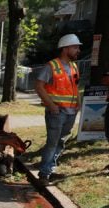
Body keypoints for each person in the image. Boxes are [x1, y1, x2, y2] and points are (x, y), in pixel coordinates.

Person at [34, 33, 82, 185]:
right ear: (65, 48)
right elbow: (39, 86)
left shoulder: (74, 66)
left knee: (60, 142)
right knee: (53, 142)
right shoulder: (52, 66)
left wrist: (78, 102)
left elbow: (75, 86)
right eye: (75, 47)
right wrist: (51, 105)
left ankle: (50, 169)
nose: (78, 50)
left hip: (71, 112)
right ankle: (44, 174)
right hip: (57, 112)